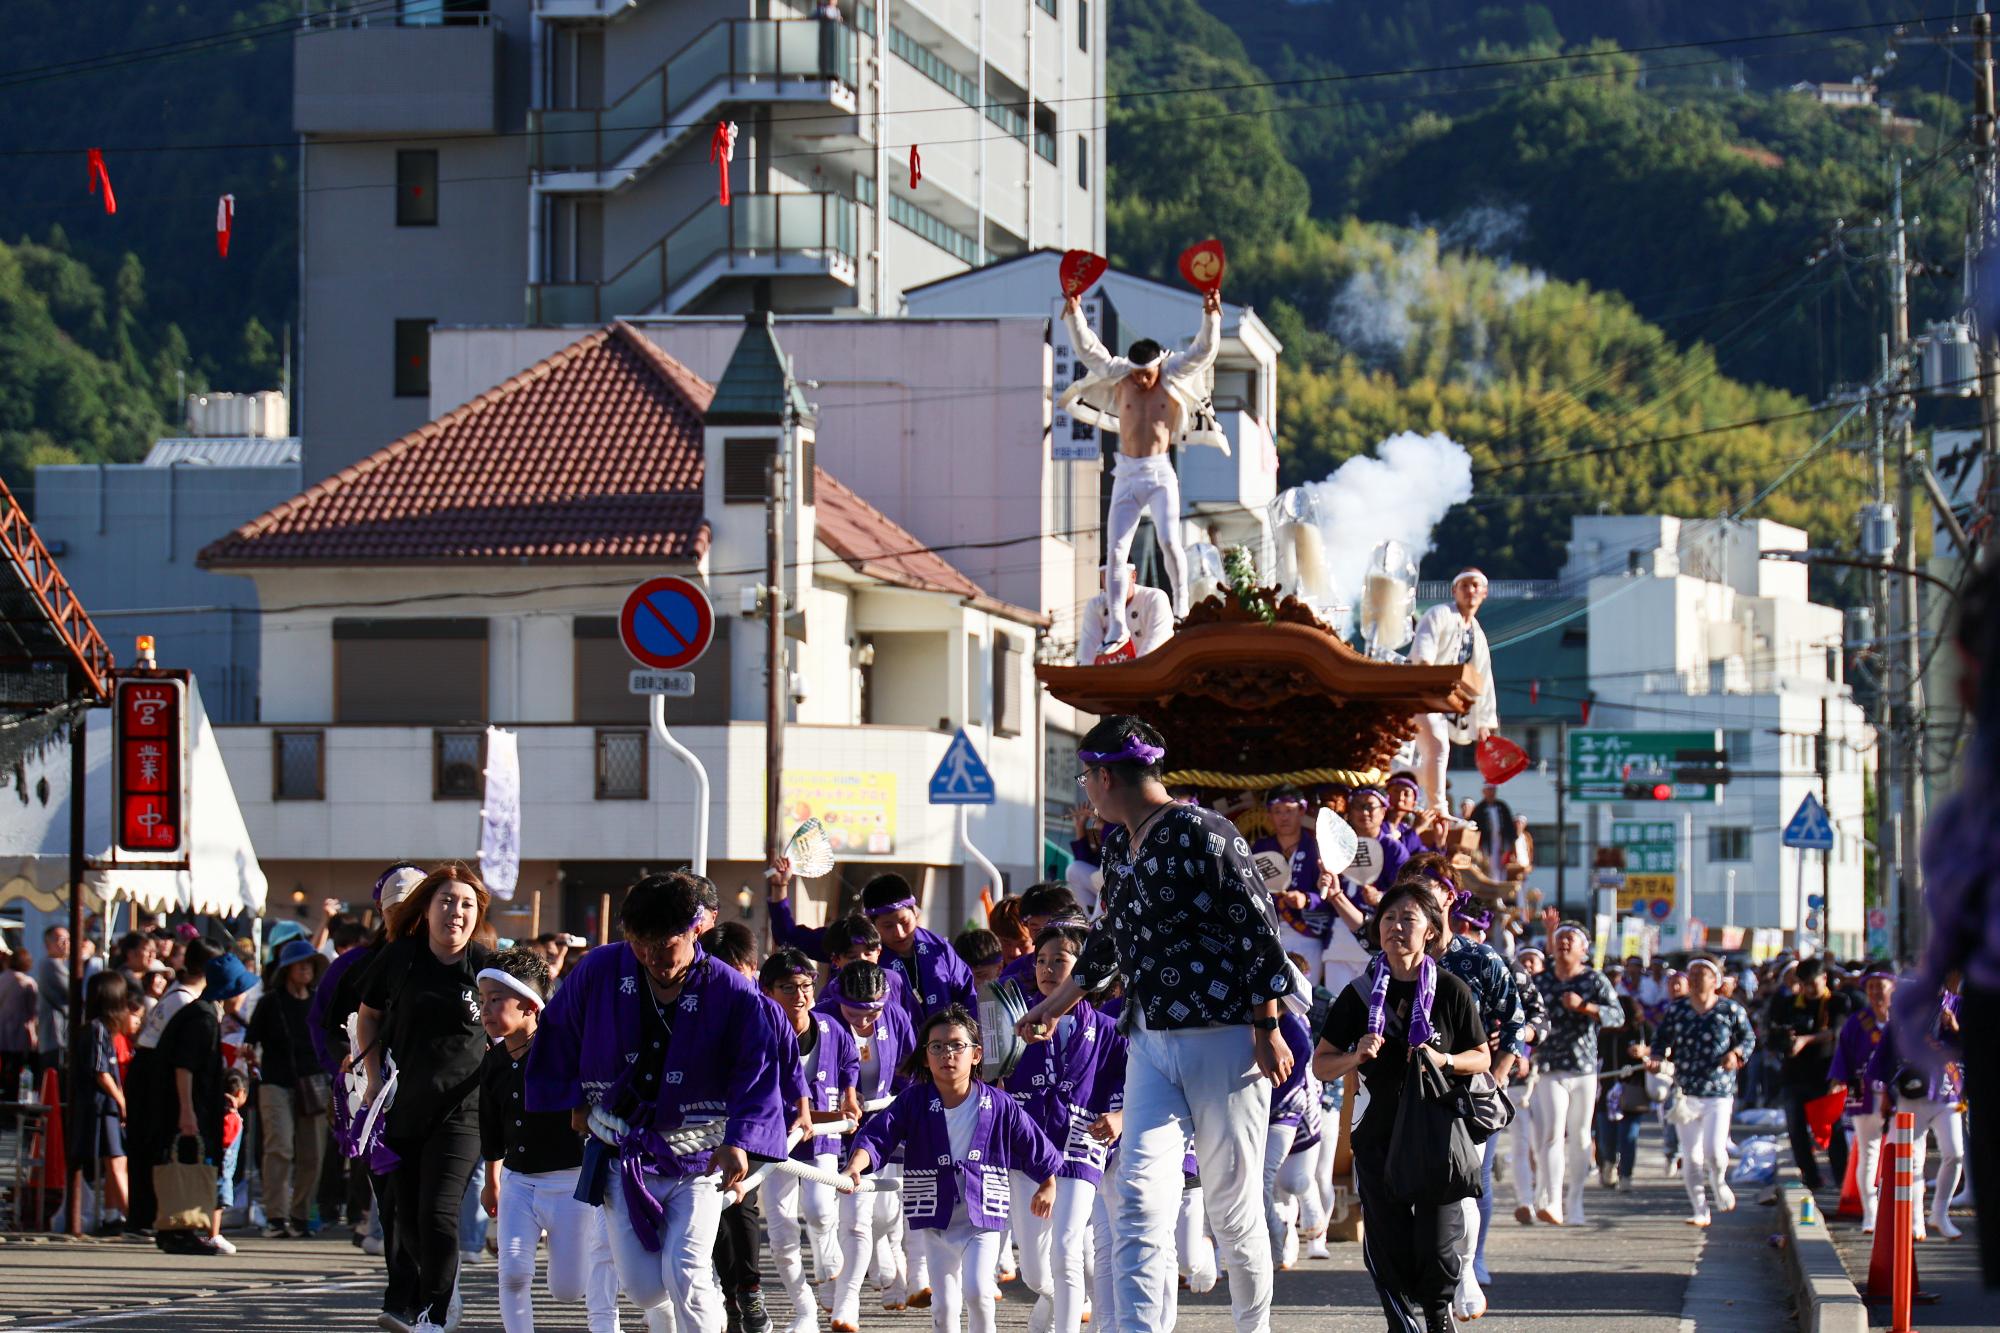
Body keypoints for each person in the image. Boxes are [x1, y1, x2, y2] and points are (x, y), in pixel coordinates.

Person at [1016, 715, 1296, 1333]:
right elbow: (1109, 939)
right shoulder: (1119, 845)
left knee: (1230, 1206)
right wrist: (1054, 1004)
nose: (1086, 791)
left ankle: (1254, 1326)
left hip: (1226, 1037)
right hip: (1148, 1040)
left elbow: (1259, 931)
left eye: (1086, 777)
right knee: (1139, 1198)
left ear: (1106, 775)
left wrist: (1267, 1023)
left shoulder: (1206, 832)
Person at [526, 871, 788, 1333]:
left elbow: (758, 1067)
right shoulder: (600, 968)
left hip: (699, 1157)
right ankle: (678, 1305)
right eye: (640, 944)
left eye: (664, 946)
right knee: (646, 1287)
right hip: (622, 1153)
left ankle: (702, 1307)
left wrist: (741, 1138)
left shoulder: (731, 990)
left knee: (685, 1270)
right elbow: (559, 1031)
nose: (651, 957)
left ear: (696, 929)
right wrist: (576, 1103)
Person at [1313, 880, 1490, 1333]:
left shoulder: (1451, 990)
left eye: (1408, 918)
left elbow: (1481, 1057)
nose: (1395, 927)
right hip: (1378, 1131)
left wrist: (1443, 1058)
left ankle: (1437, 1315)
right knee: (1387, 1236)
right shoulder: (1359, 992)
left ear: (1430, 929)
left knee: (1437, 1239)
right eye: (1388, 918)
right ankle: (1398, 1318)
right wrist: (1356, 1056)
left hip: (1437, 1131)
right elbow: (1321, 1065)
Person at [848, 1005, 1062, 1333]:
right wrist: (855, 1167)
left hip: (983, 1214)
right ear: (924, 1056)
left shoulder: (999, 1103)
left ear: (976, 1054)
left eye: (957, 1046)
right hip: (936, 1216)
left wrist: (1047, 1183)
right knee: (945, 1305)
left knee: (978, 1292)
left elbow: (1034, 1144)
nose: (947, 1054)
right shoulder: (913, 1101)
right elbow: (878, 1135)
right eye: (937, 1047)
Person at [355, 864, 496, 1332]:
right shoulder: (401, 958)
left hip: (463, 1111)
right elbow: (368, 1016)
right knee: (404, 1215)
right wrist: (373, 1078)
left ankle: (435, 1314)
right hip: (402, 1106)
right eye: (447, 902)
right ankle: (440, 1291)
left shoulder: (485, 965)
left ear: (478, 915)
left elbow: (517, 1026)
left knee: (438, 1212)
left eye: (467, 905)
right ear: (428, 908)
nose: (456, 912)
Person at [1060, 288, 1225, 648]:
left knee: (1168, 538)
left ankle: (1181, 607)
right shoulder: (1122, 375)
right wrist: (1074, 314)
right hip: (1127, 473)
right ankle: (1117, 624)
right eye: (1137, 374)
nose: (1141, 381)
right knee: (1116, 550)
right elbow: (1091, 351)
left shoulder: (1172, 373)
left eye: (1146, 374)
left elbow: (1203, 352)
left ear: (1157, 365)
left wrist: (1211, 316)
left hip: (1160, 473)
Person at [476, 946, 621, 1333]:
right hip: (518, 1183)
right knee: (513, 1274)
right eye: (482, 1001)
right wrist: (492, 1181)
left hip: (570, 1184)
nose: (486, 1009)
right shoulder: (492, 1061)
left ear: (531, 1006)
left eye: (496, 999)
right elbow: (490, 1126)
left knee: (567, 1289)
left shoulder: (564, 1051)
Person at [1002, 925, 1126, 1333]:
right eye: (1041, 960)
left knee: (1068, 1248)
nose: (1048, 969)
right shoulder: (1013, 1021)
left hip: (1081, 1143)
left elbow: (1132, 1086)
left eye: (1060, 960)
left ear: (1084, 971)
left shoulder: (1110, 1030)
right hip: (1028, 1148)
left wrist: (1120, 1117)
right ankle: (1053, 1300)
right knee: (1036, 1271)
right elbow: (987, 1080)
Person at [761, 949, 858, 1333]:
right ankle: (803, 1309)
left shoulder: (831, 1028)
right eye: (788, 987)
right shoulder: (759, 1031)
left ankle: (826, 1261)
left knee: (820, 1210)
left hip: (822, 1134)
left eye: (805, 985)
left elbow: (849, 1060)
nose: (799, 995)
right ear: (767, 990)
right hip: (773, 1139)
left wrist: (850, 1094)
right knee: (782, 1229)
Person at [821, 959, 919, 1330]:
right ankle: (841, 1296)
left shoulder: (893, 1016)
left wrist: (905, 1109)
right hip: (832, 1128)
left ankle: (854, 1294)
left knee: (878, 1215)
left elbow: (911, 1067)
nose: (863, 1021)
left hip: (881, 1122)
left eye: (872, 1012)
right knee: (838, 1219)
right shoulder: (823, 1019)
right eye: (854, 1012)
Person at [1650, 958, 1755, 1228]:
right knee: (1691, 1154)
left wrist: (1736, 1054)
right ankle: (1699, 1208)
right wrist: (1656, 1058)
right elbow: (1660, 1040)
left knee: (1713, 1150)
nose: (1697, 978)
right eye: (1693, 973)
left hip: (1718, 1090)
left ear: (1716, 980)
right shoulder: (1678, 1010)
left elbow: (1748, 1038)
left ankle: (1719, 1182)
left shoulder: (1729, 1009)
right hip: (1686, 1092)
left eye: (1704, 974)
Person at [1529, 923, 1620, 1226]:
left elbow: (1617, 1015)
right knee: (1552, 1134)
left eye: (1571, 939)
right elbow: (1522, 1015)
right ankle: (1552, 1200)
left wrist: (1586, 1007)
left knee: (1581, 1136)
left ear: (1584, 948)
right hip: (1548, 1066)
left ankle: (1576, 1201)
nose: (1564, 944)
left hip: (1584, 1068)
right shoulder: (1540, 981)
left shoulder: (1594, 980)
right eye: (1559, 939)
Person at [1869, 979, 1966, 1241]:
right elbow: (1886, 1049)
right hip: (1911, 1091)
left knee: (1955, 1153)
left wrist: (1955, 1027)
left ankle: (1939, 1212)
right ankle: (1914, 1220)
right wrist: (1882, 1091)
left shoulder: (1958, 1005)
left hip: (1947, 1091)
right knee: (1912, 1161)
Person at [247, 936, 330, 1239]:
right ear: (287, 969)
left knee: (313, 1154)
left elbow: (331, 1039)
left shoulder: (320, 1000)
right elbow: (250, 1038)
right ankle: (275, 1216)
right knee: (279, 1147)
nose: (306, 969)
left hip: (314, 1082)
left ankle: (300, 1214)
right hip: (275, 1081)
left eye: (310, 964)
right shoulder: (270, 1001)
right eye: (300, 965)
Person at [1408, 569, 1498, 813]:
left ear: (1484, 593)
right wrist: (1427, 670)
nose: (1470, 591)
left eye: (1475, 586)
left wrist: (1484, 720)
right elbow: (1423, 651)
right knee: (1437, 746)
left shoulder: (1477, 633)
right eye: (1465, 585)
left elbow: (1483, 679)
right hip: (1418, 694)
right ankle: (1437, 808)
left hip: (1443, 703)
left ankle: (1411, 791)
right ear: (1454, 591)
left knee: (1426, 755)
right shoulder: (1439, 614)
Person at [1769, 956, 1853, 1193]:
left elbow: (1836, 1032)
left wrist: (1806, 1040)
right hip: (1794, 1076)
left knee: (1833, 1131)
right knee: (1796, 1129)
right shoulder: (1790, 1004)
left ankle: (1842, 1181)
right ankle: (1812, 1178)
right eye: (1803, 984)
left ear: (1824, 979)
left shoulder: (1837, 1001)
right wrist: (1785, 1040)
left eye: (1812, 983)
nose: (1808, 989)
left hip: (1826, 1075)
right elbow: (1773, 1033)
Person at [1828, 966, 1896, 1233]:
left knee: (1901, 1155)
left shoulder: (1902, 1021)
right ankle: (1870, 1213)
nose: (1876, 992)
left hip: (1899, 1096)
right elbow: (1842, 1056)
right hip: (1864, 1094)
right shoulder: (1857, 1022)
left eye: (1881, 986)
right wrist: (1837, 1080)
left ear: (1893, 988)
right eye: (1871, 987)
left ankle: (1902, 1214)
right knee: (1868, 1153)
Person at [864, 874, 976, 1027]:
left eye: (904, 922)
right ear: (872, 925)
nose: (899, 932)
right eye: (888, 926)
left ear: (915, 912)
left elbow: (968, 993)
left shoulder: (938, 948)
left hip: (947, 1045)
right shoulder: (867, 958)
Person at [1253, 787, 1328, 984]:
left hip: (1307, 934)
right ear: (1269, 814)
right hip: (1268, 932)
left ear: (1302, 811)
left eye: (1289, 810)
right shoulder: (1260, 848)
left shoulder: (1317, 848)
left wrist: (1307, 899)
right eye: (1277, 811)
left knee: (1304, 995)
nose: (1283, 817)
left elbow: (1330, 894)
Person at [84, 971, 132, 1235]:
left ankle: (114, 1214)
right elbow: (101, 1071)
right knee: (116, 1160)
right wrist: (121, 1098)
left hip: (106, 1103)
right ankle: (130, 1214)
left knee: (114, 1160)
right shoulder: (99, 1029)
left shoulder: (99, 1028)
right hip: (105, 1103)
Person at [1078, 563, 1174, 664]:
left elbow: (1155, 647)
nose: (1113, 585)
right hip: (1112, 674)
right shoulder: (1096, 606)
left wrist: (1132, 674)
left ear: (1133, 577)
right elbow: (1087, 653)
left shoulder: (1154, 599)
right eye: (1107, 578)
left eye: (1118, 578)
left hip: (1153, 672)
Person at [0, 947, 38, 1114]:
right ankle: (14, 1106)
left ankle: (4, 1102)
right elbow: (33, 1012)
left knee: (4, 1068)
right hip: (20, 1032)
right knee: (18, 1070)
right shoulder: (28, 983)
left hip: (2, 1030)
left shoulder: (2, 978)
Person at [1469, 785, 1515, 875]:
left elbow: (1510, 826)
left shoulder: (1502, 806)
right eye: (1489, 790)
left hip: (1502, 842)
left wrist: (1509, 844)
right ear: (1484, 792)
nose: (1491, 793)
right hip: (1486, 844)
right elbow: (1474, 827)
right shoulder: (1479, 809)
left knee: (1503, 867)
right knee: (1488, 866)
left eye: (1493, 790)